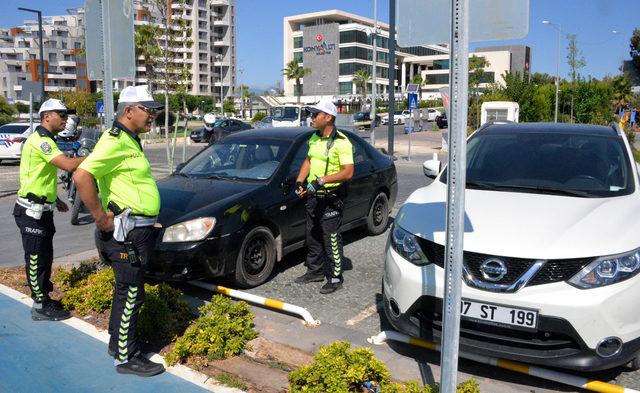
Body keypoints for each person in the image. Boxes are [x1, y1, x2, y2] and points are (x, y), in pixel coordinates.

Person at [73, 85, 165, 377]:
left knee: (126, 291)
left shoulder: (130, 139)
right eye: (147, 110)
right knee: (132, 294)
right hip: (126, 235)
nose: (152, 115)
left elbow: (130, 185)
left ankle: (119, 344)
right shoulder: (114, 141)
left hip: (137, 228)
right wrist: (100, 217)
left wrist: (149, 219)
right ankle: (126, 357)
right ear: (129, 111)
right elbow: (82, 175)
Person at [13, 99, 85, 321]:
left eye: (66, 115)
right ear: (47, 116)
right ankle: (39, 305)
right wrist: (95, 156)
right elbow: (68, 165)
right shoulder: (41, 141)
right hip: (31, 212)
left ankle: (43, 296)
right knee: (35, 258)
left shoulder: (46, 139)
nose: (65, 119)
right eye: (61, 115)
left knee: (44, 256)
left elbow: (41, 176)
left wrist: (55, 200)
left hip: (42, 208)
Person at [294, 99, 354, 294]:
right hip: (313, 197)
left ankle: (336, 277)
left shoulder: (342, 142)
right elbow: (308, 161)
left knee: (331, 238)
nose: (311, 118)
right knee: (312, 235)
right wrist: (300, 182)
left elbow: (348, 172)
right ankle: (315, 271)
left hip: (331, 197)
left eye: (315, 114)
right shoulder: (314, 138)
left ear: (328, 118)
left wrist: (323, 180)